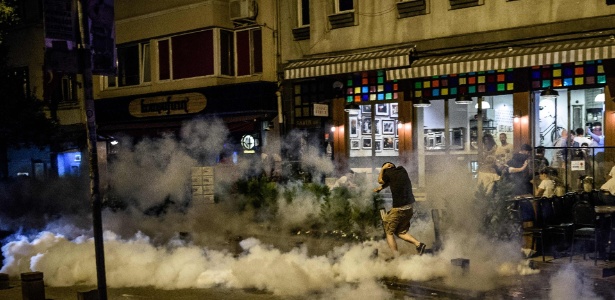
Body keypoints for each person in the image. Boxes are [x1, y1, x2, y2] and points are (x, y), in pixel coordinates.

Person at [373, 162, 426, 257]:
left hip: (399, 208)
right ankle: (419, 244)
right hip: (409, 207)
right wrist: (381, 188)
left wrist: (383, 169)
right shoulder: (402, 170)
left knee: (389, 232)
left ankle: (396, 257)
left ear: (387, 168)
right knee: (400, 232)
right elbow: (392, 181)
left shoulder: (387, 172)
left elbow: (380, 180)